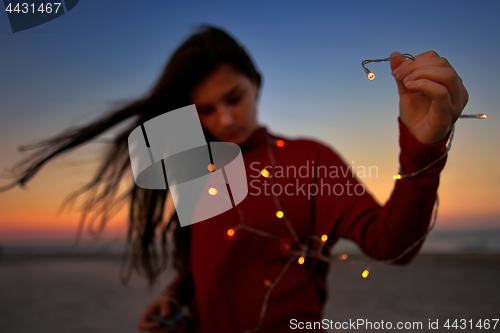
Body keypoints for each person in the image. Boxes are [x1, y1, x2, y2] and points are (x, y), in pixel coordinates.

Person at [2, 25, 468, 333]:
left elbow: (390, 244)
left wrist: (422, 147)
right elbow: (204, 257)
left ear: (257, 84)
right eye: (205, 109)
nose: (224, 119)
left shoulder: (309, 159)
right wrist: (176, 298)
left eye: (234, 98)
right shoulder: (192, 163)